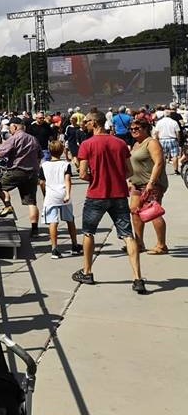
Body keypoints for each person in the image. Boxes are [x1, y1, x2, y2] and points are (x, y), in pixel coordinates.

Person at [73, 110, 146, 295]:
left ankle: (87, 272)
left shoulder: (87, 145)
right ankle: (137, 278)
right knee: (128, 235)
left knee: (88, 233)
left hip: (96, 195)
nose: (84, 125)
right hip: (118, 194)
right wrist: (114, 177)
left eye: (87, 122)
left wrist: (95, 178)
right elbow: (129, 171)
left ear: (94, 123)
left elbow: (82, 174)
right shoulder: (120, 143)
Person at [0, 116, 42, 235]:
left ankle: (8, 206)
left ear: (14, 126)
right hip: (32, 172)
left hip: (16, 170)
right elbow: (39, 156)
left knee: (1, 187)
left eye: (10, 128)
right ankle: (34, 230)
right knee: (32, 203)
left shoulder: (14, 138)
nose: (9, 130)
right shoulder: (33, 139)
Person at [128, 119, 168, 255]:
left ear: (145, 129)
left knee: (153, 212)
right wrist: (130, 180)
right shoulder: (136, 144)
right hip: (136, 183)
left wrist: (151, 182)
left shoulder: (151, 143)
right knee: (135, 211)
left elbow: (159, 163)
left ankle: (161, 245)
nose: (133, 130)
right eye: (132, 128)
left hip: (151, 183)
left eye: (137, 128)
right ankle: (139, 243)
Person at [38, 141, 81, 258]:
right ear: (62, 151)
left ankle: (54, 248)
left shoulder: (44, 165)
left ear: (49, 151)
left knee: (53, 222)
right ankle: (74, 245)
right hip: (63, 194)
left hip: (51, 196)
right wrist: (68, 194)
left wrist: (45, 193)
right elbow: (68, 180)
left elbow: (42, 182)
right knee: (70, 220)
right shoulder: (65, 164)